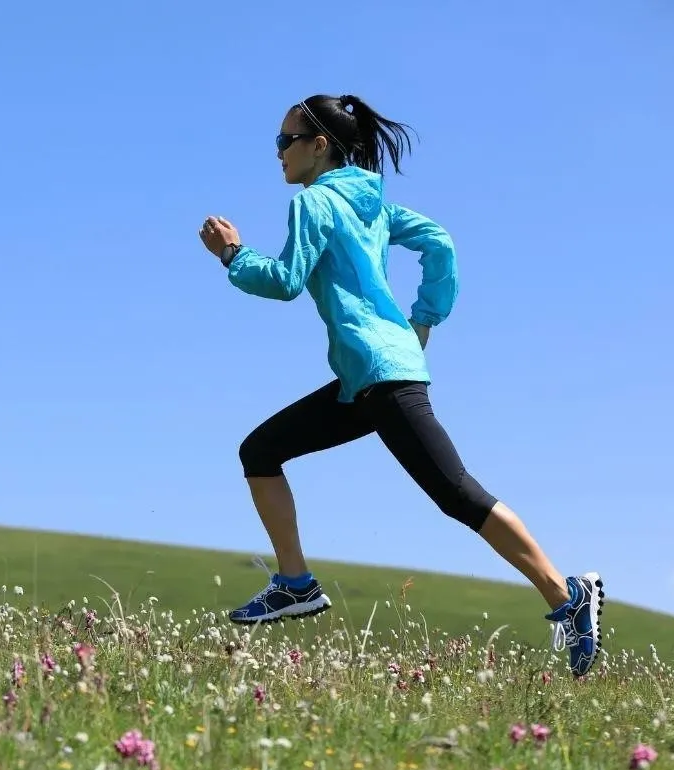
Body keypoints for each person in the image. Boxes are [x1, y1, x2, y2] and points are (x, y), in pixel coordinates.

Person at [197, 93, 604, 677]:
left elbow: (286, 280)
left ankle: (569, 598)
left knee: (458, 493)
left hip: (381, 378)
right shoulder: (374, 207)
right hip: (367, 377)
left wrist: (232, 254)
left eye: (287, 141)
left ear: (320, 146)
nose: (279, 152)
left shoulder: (313, 203)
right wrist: (424, 319)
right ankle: (294, 583)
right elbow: (440, 241)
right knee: (260, 451)